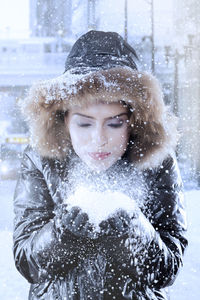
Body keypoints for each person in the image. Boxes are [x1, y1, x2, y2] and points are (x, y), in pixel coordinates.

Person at [13, 30, 187, 300]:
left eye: (115, 123)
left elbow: (167, 271)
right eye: (84, 123)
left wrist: (133, 231)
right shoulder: (40, 158)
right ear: (64, 120)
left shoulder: (157, 161)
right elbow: (27, 264)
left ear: (134, 121)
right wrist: (64, 234)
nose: (99, 140)